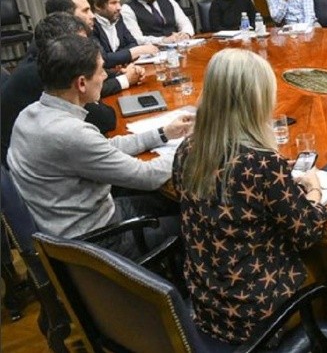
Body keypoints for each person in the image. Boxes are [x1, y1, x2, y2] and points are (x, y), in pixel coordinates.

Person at [172, 49, 327, 344]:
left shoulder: (187, 149)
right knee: (320, 243)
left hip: (206, 302)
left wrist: (275, 182)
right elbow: (309, 231)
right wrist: (313, 188)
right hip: (255, 316)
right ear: (254, 101)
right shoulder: (261, 164)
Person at [7, 34, 194, 259]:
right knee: (196, 221)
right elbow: (147, 175)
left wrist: (163, 133)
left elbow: (104, 147)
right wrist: (190, 147)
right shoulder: (70, 134)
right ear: (81, 83)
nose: (106, 76)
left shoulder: (30, 114)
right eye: (101, 71)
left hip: (68, 224)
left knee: (167, 202)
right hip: (98, 242)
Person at [0, 13, 116, 166]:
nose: (88, 48)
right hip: (38, 169)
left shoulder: (39, 63)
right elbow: (105, 120)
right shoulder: (47, 75)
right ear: (62, 47)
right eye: (80, 44)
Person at [46, 0, 146, 96]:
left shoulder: (72, 38)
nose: (93, 16)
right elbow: (83, 90)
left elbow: (90, 72)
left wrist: (120, 73)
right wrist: (125, 79)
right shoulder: (54, 50)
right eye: (85, 10)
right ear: (66, 16)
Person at [86, 0, 159, 68]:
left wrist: (118, 58)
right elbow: (103, 59)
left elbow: (132, 43)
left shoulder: (117, 18)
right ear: (97, 6)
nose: (119, 7)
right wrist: (138, 51)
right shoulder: (90, 26)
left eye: (119, 2)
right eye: (113, 3)